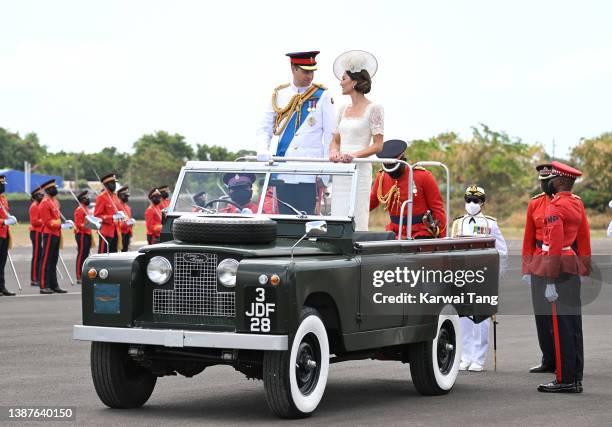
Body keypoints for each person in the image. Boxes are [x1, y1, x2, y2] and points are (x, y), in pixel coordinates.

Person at [523, 164, 591, 374]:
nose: (544, 183)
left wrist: (584, 267)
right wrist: (527, 267)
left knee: (563, 318)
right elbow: (528, 236)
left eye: (548, 179)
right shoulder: (535, 203)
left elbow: (582, 237)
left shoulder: (571, 202)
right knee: (542, 316)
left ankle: (565, 364)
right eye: (542, 180)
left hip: (560, 262)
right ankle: (550, 359)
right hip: (538, 261)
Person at [255, 51, 336, 214]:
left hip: (309, 172)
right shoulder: (279, 94)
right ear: (293, 69)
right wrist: (262, 149)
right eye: (306, 71)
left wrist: (326, 172)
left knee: (307, 220)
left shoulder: (322, 95)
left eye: (312, 71)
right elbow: (264, 128)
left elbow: (330, 136)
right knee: (284, 220)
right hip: (283, 169)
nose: (310, 76)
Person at [451, 185, 507, 371]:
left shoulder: (490, 224)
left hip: (482, 275)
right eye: (468, 200)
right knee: (463, 317)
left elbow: (501, 251)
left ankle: (479, 358)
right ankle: (465, 355)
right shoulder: (457, 223)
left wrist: (497, 275)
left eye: (476, 201)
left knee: (481, 318)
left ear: (483, 203)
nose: (472, 204)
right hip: (461, 275)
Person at [329, 50, 383, 230]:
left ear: (354, 82)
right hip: (341, 170)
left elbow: (378, 145)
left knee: (357, 214)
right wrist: (334, 152)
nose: (340, 82)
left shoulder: (374, 108)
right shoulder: (342, 109)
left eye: (343, 78)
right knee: (338, 213)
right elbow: (335, 139)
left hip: (360, 168)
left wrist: (353, 155)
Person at [369, 139, 446, 239]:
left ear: (403, 160)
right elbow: (371, 202)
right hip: (394, 232)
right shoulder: (382, 176)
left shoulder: (423, 176)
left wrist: (442, 238)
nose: (391, 173)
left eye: (393, 167)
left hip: (420, 232)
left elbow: (437, 209)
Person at [38, 179, 72, 294]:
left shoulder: (54, 201)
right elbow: (48, 222)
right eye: (53, 188)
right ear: (48, 190)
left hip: (56, 233)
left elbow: (56, 218)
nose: (55, 190)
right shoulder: (44, 202)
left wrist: (64, 224)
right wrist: (61, 225)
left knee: (54, 260)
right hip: (49, 233)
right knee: (46, 260)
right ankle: (44, 285)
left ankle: (53, 285)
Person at [94, 173, 125, 253]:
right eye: (112, 183)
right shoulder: (101, 197)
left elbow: (119, 209)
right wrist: (112, 217)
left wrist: (121, 215)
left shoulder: (115, 196)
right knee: (103, 255)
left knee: (113, 256)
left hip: (115, 231)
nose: (114, 185)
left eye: (115, 183)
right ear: (106, 184)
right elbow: (97, 216)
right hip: (106, 232)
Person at [0, 174, 17, 296]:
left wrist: (10, 218)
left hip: (4, 233)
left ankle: (1, 287)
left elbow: (5, 213)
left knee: (2, 262)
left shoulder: (3, 198)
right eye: (1, 184)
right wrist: (3, 222)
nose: (2, 187)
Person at [74, 190, 93, 284]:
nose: (88, 198)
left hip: (87, 233)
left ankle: (83, 274)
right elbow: (78, 224)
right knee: (81, 254)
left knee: (86, 255)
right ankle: (78, 275)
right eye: (86, 197)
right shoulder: (79, 209)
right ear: (82, 199)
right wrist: (87, 226)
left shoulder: (87, 209)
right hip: (81, 234)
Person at [29, 186, 45, 287]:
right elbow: (34, 221)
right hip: (36, 232)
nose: (42, 196)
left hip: (41, 232)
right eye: (40, 194)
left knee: (40, 255)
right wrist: (44, 221)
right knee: (36, 255)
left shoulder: (40, 205)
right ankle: (34, 278)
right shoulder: (34, 206)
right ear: (35, 196)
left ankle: (38, 276)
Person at [117, 185, 135, 252]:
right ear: (121, 195)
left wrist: (131, 222)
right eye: (126, 195)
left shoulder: (127, 207)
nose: (127, 197)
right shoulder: (117, 205)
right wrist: (126, 223)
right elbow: (118, 219)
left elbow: (128, 218)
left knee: (125, 251)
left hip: (127, 232)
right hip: (120, 232)